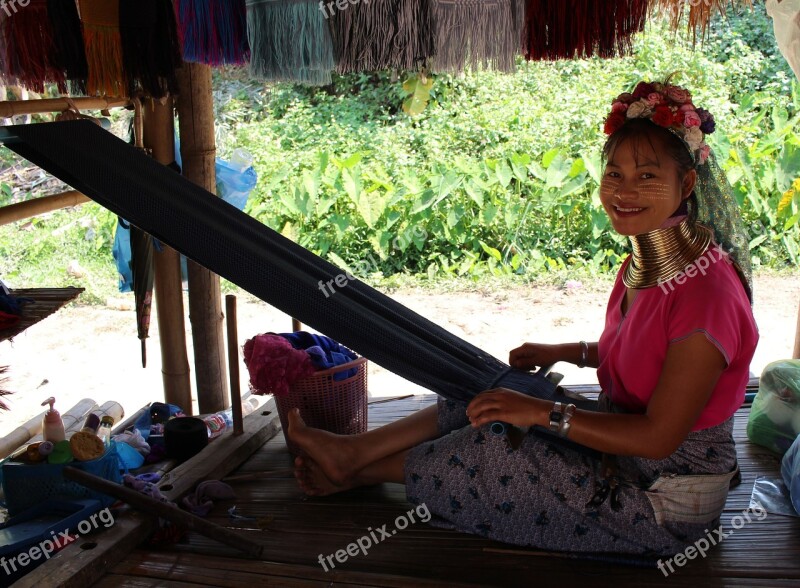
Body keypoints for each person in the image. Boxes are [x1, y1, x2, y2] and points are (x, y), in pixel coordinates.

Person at [288, 79, 759, 557]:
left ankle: (352, 470)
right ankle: (353, 454)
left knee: (496, 448)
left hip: (663, 493)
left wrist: (540, 413)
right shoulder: (645, 263)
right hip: (626, 445)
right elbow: (651, 353)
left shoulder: (705, 293)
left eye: (647, 176)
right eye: (613, 175)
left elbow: (659, 437)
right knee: (489, 389)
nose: (624, 191)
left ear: (689, 183)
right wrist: (565, 353)